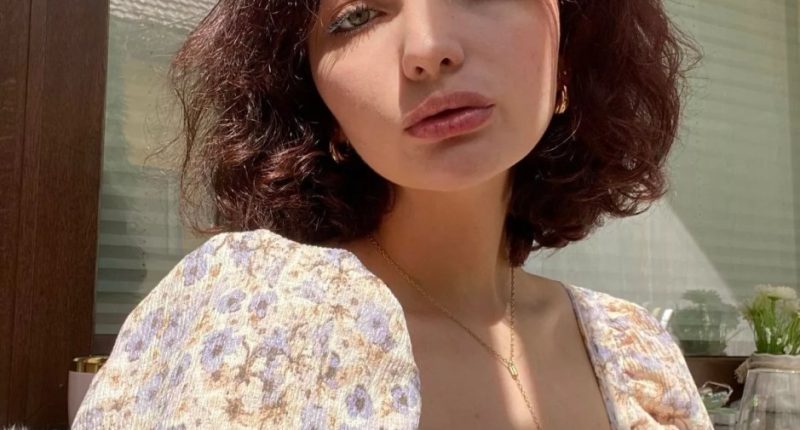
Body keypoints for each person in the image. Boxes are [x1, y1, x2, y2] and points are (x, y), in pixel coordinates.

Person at [73, 0, 713, 428]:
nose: (428, 49)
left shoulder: (639, 353)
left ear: (570, 52)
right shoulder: (256, 307)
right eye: (356, 16)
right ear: (322, 110)